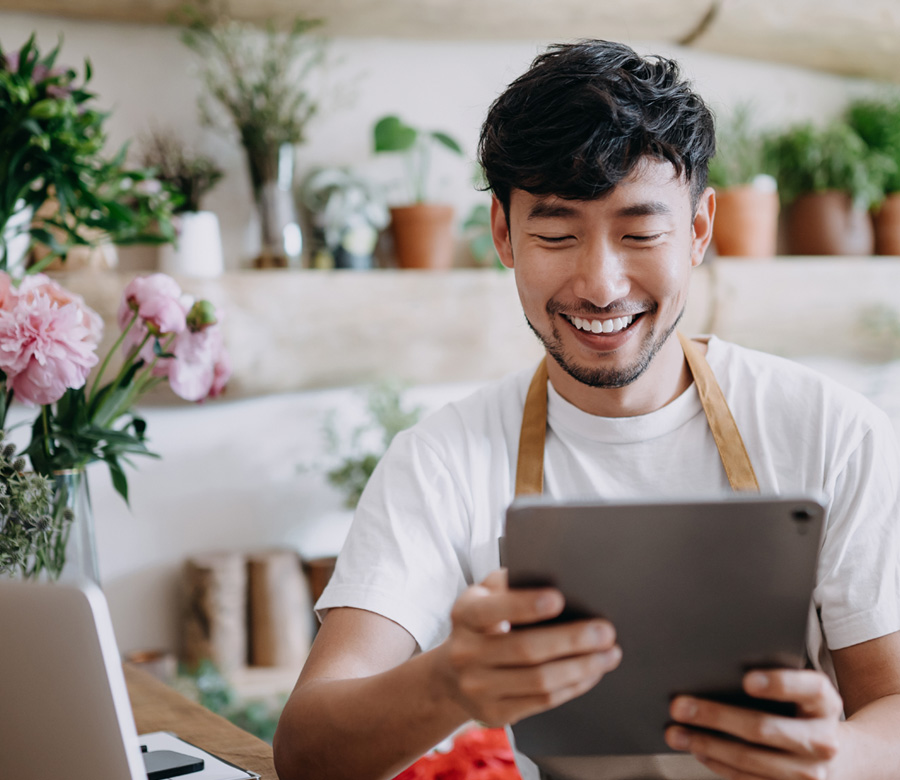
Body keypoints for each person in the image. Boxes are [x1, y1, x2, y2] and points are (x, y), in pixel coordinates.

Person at [273, 40, 900, 780]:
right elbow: (305, 751)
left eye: (640, 233)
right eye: (556, 234)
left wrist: (834, 761)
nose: (600, 284)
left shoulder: (832, 430)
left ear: (699, 230)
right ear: (504, 235)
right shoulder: (440, 460)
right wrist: (446, 683)